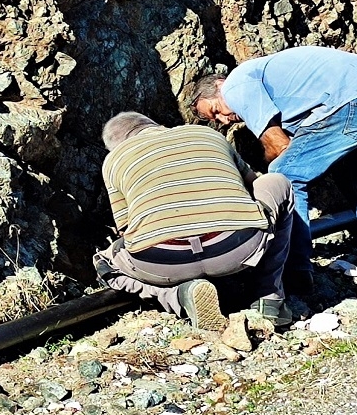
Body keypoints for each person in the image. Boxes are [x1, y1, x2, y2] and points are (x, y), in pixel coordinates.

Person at [189, 45, 357, 294]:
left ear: (219, 85)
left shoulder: (235, 85)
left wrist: (262, 182)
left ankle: (294, 271)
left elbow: (278, 144)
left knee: (286, 176)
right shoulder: (273, 83)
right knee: (356, 176)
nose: (224, 119)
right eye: (216, 120)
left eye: (216, 110)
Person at [93, 112, 295, 331]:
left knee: (105, 263)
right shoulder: (206, 133)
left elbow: (125, 228)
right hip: (236, 248)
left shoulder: (113, 160)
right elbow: (253, 183)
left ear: (116, 146)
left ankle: (178, 295)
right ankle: (269, 299)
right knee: (277, 182)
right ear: (158, 125)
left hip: (164, 263)